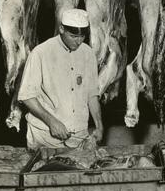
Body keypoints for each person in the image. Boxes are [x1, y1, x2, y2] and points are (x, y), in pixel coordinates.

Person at [17, 8, 104, 149]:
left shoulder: (88, 53)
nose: (79, 41)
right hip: (45, 136)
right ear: (62, 29)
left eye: (82, 36)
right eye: (73, 36)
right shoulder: (41, 53)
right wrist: (52, 122)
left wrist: (99, 126)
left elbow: (92, 94)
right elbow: (27, 96)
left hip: (79, 137)